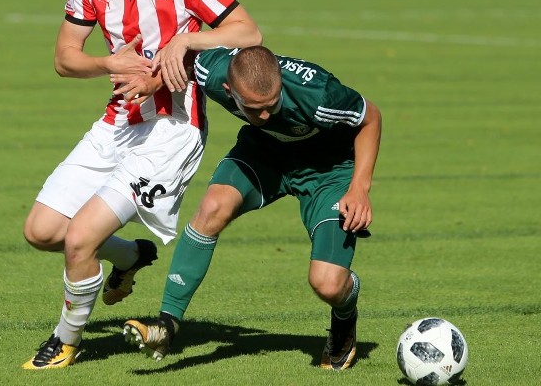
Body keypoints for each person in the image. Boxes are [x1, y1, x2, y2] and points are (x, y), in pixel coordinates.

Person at [21, 0, 262, 370]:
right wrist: (106, 62)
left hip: (172, 132)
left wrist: (187, 41)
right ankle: (130, 256)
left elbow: (248, 32)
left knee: (80, 240)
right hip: (118, 123)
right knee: (42, 230)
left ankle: (66, 340)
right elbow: (64, 59)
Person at [118, 45, 382, 371]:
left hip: (328, 172)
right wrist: (153, 83)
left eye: (272, 105)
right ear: (229, 90)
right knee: (213, 206)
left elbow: (370, 118)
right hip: (266, 154)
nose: (266, 116)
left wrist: (360, 188)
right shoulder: (214, 71)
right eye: (256, 110)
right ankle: (166, 325)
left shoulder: (318, 92)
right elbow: (184, 64)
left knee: (327, 283)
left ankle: (345, 315)